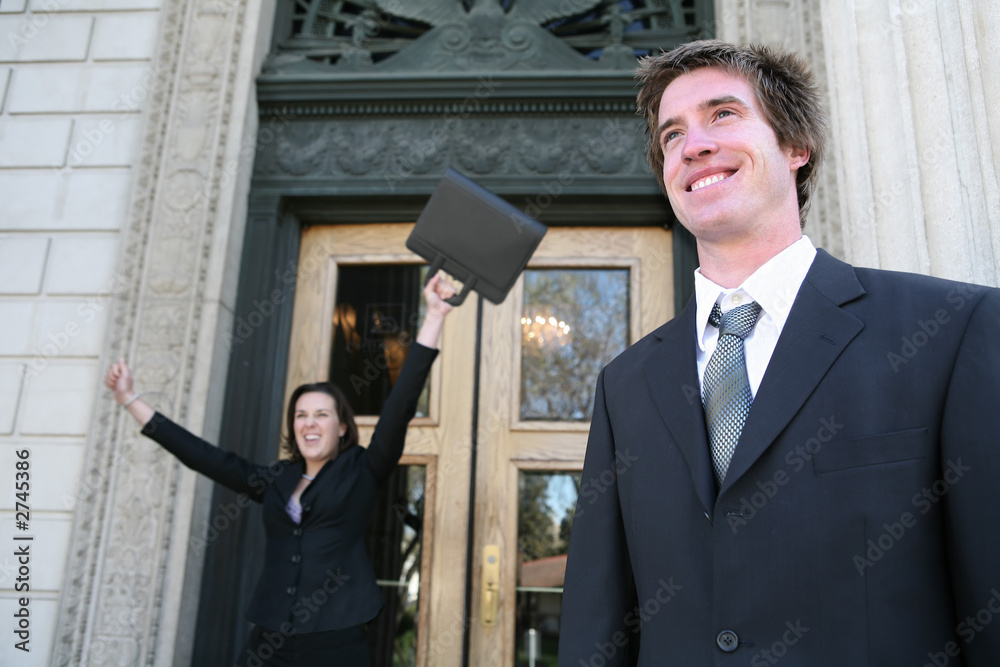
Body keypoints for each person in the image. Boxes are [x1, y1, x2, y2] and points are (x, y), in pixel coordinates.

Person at [558, 39, 1000, 666]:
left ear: (796, 147)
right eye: (671, 135)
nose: (693, 145)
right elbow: (596, 627)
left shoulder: (952, 330)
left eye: (723, 114)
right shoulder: (625, 384)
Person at [106, 273, 457, 666]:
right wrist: (130, 400)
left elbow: (401, 405)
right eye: (301, 415)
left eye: (321, 414)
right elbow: (204, 456)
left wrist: (435, 316)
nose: (309, 423)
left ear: (342, 427)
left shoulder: (362, 469)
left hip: (337, 642)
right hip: (269, 640)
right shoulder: (276, 479)